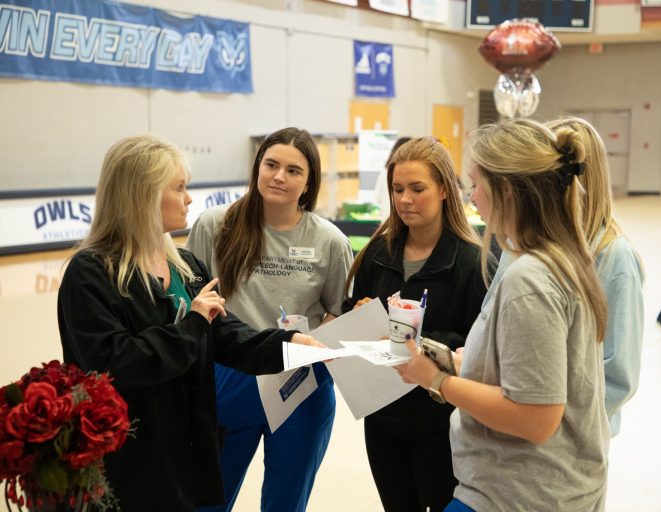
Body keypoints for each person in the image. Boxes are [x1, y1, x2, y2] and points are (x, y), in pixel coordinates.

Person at [57, 133, 324, 511]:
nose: (189, 199)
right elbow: (116, 361)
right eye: (179, 188)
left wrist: (289, 344)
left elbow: (226, 335)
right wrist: (194, 322)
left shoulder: (185, 266)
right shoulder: (91, 272)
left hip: (182, 446)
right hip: (125, 454)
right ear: (143, 195)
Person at [398, 119, 611, 511]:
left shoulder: (531, 279)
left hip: (514, 495)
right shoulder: (559, 259)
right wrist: (469, 364)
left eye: (476, 184)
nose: (472, 196)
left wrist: (436, 379)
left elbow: (536, 417)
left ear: (506, 189)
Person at [186, 127, 352, 512]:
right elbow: (190, 302)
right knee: (206, 500)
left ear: (309, 181)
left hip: (299, 384)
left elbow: (339, 312)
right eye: (271, 165)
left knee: (286, 503)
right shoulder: (215, 225)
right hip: (229, 375)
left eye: (294, 171)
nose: (279, 176)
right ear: (257, 166)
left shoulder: (330, 241)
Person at [342, 137, 493, 512]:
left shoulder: (472, 263)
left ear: (444, 189)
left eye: (417, 188)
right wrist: (357, 313)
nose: (405, 199)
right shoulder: (378, 253)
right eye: (397, 189)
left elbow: (479, 346)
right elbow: (351, 314)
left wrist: (414, 342)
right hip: (383, 416)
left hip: (440, 419)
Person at [545, 117, 644, 436]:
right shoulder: (531, 244)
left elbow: (618, 374)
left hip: (573, 435)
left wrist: (553, 422)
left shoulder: (615, 258)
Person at [373, 136, 412, 220]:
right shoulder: (386, 172)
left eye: (417, 190)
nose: (404, 199)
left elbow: (377, 198)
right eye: (398, 190)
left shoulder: (384, 172)